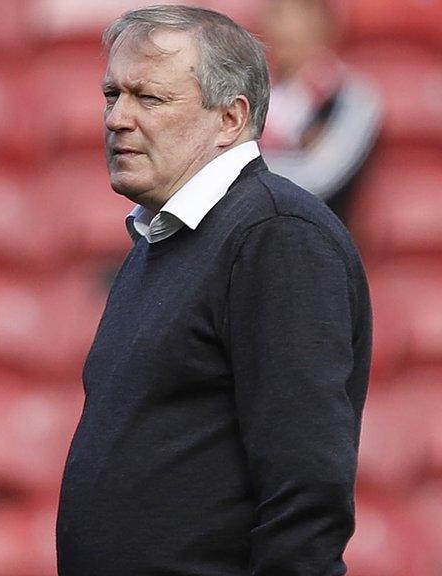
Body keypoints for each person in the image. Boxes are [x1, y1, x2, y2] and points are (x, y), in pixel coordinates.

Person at [56, 6, 371, 576]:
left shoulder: (276, 237)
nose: (117, 118)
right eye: (112, 95)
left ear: (230, 118)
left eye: (148, 99)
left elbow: (306, 488)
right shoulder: (161, 240)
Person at [260, 0, 382, 222]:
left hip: (318, 241)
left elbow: (319, 176)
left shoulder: (353, 98)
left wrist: (241, 178)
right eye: (278, 13)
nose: (286, 27)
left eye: (301, 14)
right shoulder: (257, 93)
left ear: (327, 24)